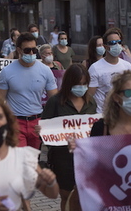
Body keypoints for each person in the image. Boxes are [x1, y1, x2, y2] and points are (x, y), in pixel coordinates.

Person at [41, 64, 97, 211]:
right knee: (66, 196)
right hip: (62, 158)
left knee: (84, 196)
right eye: (78, 84)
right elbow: (46, 130)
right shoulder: (55, 102)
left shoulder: (91, 102)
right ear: (69, 83)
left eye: (85, 84)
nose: (82, 87)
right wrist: (42, 132)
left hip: (86, 158)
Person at [0, 32, 57, 150]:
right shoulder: (7, 72)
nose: (31, 53)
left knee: (34, 161)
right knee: (21, 160)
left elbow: (55, 98)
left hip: (37, 122)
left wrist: (50, 122)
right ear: (19, 50)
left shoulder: (45, 71)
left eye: (34, 50)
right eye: (27, 50)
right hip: (16, 122)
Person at [88, 28, 131, 113]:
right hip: (102, 115)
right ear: (105, 47)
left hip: (123, 114)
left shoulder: (127, 66)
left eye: (119, 42)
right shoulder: (95, 68)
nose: (117, 45)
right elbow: (90, 96)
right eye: (113, 43)